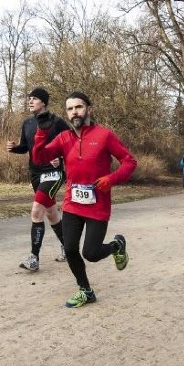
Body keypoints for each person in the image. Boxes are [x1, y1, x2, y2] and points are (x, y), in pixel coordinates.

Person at [31, 91, 137, 308]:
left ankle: (117, 245)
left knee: (91, 253)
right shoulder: (63, 138)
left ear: (89, 109)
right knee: (69, 248)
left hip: (98, 204)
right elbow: (39, 157)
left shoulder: (104, 135)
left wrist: (111, 178)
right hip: (72, 203)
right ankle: (85, 290)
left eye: (78, 107)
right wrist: (41, 134)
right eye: (70, 109)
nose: (74, 112)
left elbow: (129, 161)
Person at [6, 87, 67, 271]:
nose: (30, 101)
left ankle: (34, 258)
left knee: (36, 212)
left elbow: (71, 144)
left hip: (53, 173)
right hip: (35, 173)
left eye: (34, 98)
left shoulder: (57, 122)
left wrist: (61, 158)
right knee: (51, 213)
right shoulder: (27, 123)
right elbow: (26, 147)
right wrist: (15, 147)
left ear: (43, 102)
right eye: (29, 98)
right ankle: (68, 246)